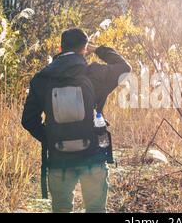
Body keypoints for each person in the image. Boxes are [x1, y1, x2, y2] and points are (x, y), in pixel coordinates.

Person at [21, 28, 131, 213]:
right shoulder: (94, 73)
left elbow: (28, 120)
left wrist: (52, 138)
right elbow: (124, 68)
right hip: (93, 156)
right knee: (95, 209)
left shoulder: (42, 78)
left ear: (60, 47)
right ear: (85, 48)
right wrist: (97, 49)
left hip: (59, 159)